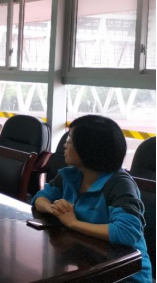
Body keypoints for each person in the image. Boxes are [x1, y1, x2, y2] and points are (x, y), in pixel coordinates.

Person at [32, 115, 152, 283]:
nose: (65, 145)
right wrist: (53, 208)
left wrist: (73, 223)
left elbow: (127, 232)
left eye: (70, 141)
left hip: (125, 274)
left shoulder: (119, 184)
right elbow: (40, 198)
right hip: (90, 262)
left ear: (89, 149)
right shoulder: (71, 175)